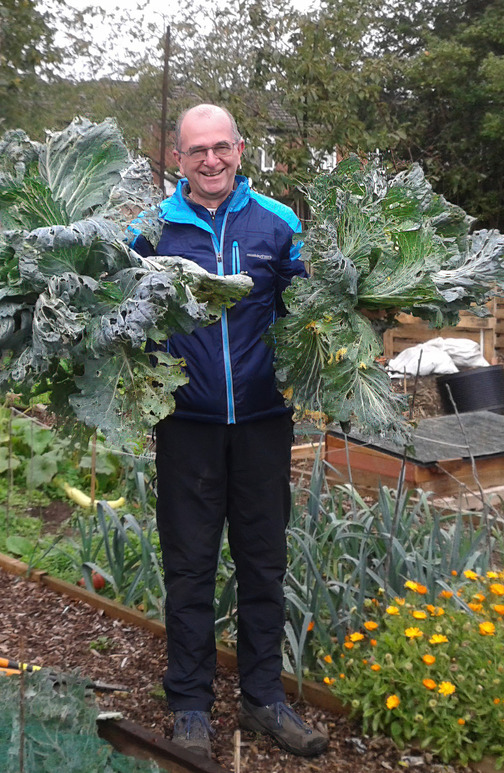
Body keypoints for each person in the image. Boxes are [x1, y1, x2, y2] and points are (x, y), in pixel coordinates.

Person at [128, 104, 329, 759]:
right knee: (189, 569)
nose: (210, 160)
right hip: (186, 425)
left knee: (263, 564)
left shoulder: (279, 223)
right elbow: (114, 313)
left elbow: (309, 310)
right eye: (196, 151)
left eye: (221, 147)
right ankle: (189, 705)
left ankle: (263, 696)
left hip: (265, 423)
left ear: (241, 149)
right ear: (178, 160)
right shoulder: (149, 231)